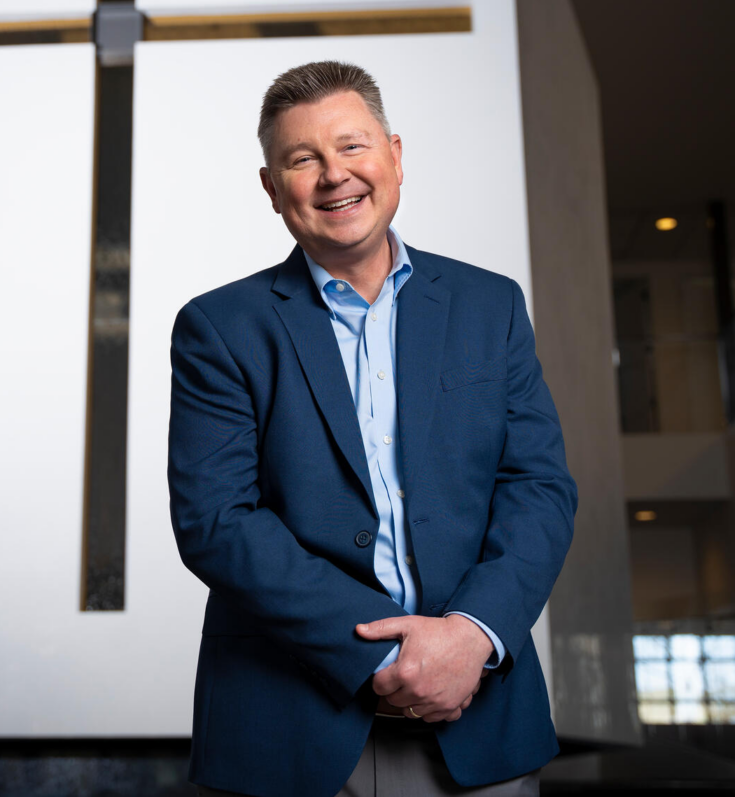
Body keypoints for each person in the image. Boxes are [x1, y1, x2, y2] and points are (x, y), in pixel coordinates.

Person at [167, 60, 577, 797]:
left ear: (394, 154)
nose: (334, 175)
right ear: (271, 188)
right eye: (303, 158)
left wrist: (471, 635)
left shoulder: (492, 306)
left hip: (477, 719)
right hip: (288, 725)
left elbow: (539, 488)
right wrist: (383, 654)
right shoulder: (219, 328)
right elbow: (217, 521)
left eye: (352, 147)